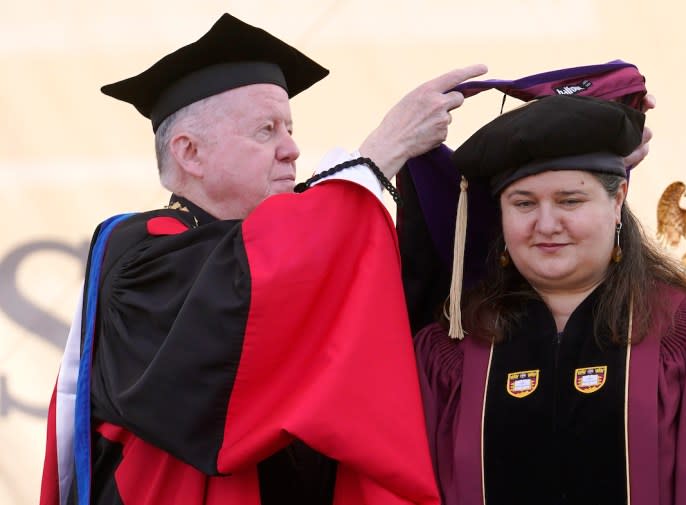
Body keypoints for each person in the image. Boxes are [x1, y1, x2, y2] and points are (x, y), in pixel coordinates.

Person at [38, 13, 490, 505]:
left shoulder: (275, 247)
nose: (292, 150)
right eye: (266, 131)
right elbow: (253, 283)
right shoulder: (141, 253)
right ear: (189, 152)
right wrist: (376, 157)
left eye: (291, 129)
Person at [413, 95, 686, 504]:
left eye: (569, 200)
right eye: (523, 204)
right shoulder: (453, 350)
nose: (546, 223)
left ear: (618, 200)